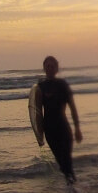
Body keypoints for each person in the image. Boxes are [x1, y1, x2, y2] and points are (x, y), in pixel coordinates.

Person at [37, 55, 82, 184]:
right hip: (49, 131)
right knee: (61, 164)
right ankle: (73, 188)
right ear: (44, 68)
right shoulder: (40, 87)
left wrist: (77, 128)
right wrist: (39, 133)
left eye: (52, 66)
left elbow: (72, 107)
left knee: (66, 160)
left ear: (56, 69)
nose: (50, 68)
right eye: (47, 66)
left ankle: (74, 189)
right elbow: (36, 111)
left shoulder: (62, 85)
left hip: (63, 128)